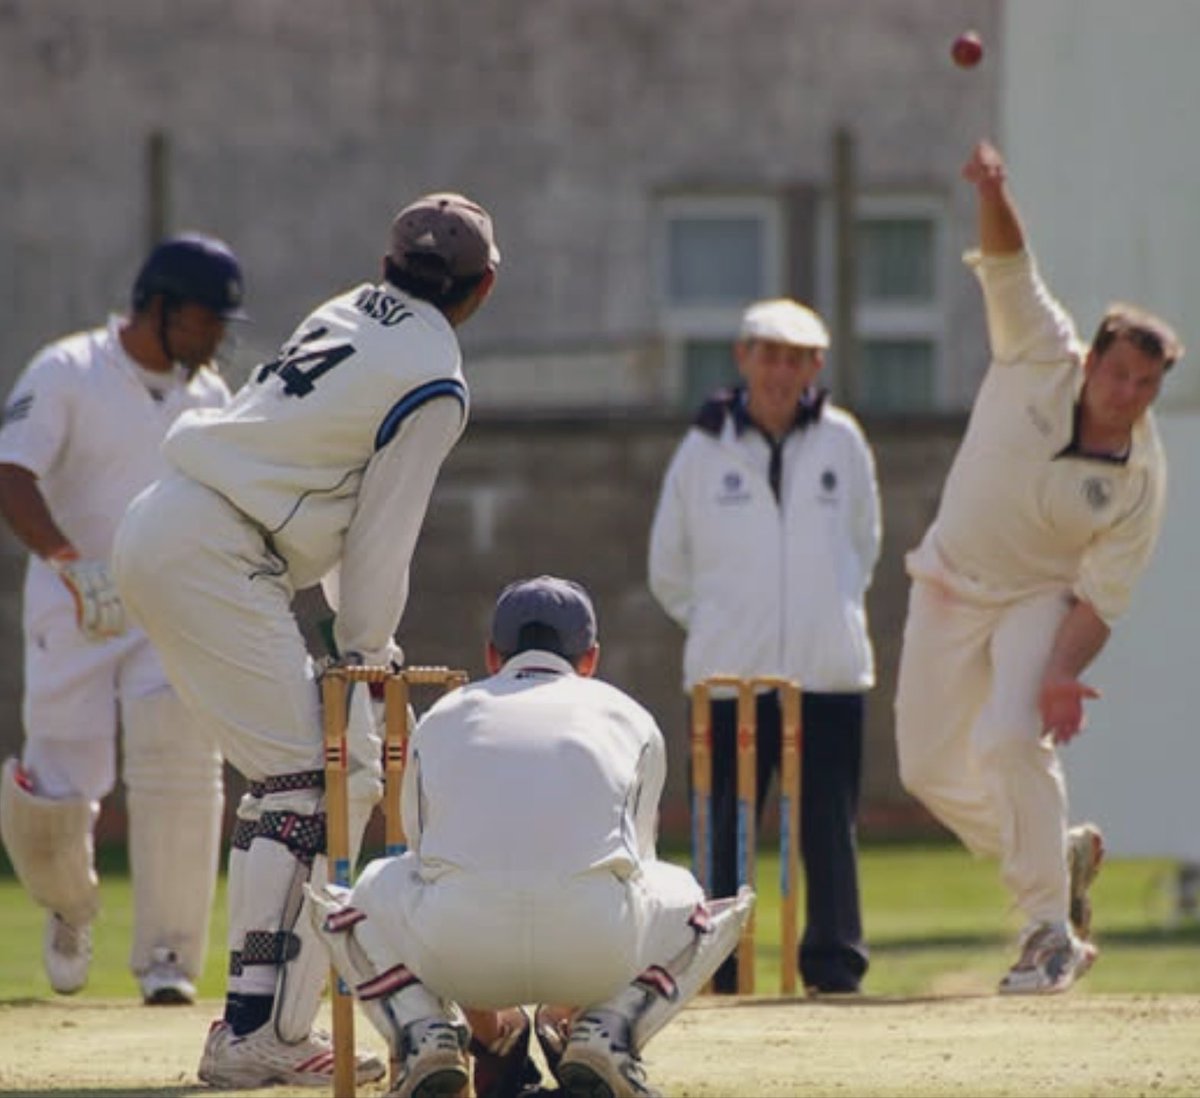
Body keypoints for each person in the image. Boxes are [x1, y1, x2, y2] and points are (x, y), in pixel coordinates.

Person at [111, 193, 500, 1089]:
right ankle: (259, 1033)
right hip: (215, 551)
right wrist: (367, 651)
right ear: (484, 287)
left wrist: (350, 645)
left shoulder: (348, 309)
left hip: (173, 524)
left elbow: (326, 491)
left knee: (302, 776)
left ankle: (256, 1022)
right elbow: (382, 533)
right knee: (322, 777)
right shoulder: (436, 377)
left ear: (391, 259)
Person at [894, 140, 1185, 995]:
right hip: (950, 578)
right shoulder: (1037, 348)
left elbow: (1104, 596)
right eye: (1118, 373)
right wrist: (994, 186)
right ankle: (1053, 858)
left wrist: (1061, 673)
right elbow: (1008, 262)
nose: (1126, 394)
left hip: (1036, 600)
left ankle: (1049, 932)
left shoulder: (1141, 480)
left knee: (1012, 739)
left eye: (1145, 385)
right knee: (926, 770)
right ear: (1092, 361)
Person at [306, 575, 754, 1098]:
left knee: (354, 899)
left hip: (458, 959)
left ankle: (423, 1034)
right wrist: (570, 1003)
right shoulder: (630, 716)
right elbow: (633, 864)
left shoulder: (443, 717)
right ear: (590, 659)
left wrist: (489, 1023)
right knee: (695, 900)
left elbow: (425, 859)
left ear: (493, 655)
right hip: (596, 952)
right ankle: (608, 1031)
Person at [0, 234, 242, 1004]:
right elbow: (11, 472)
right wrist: (71, 564)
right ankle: (70, 909)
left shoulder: (210, 396)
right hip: (75, 599)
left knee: (180, 763)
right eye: (206, 319)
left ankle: (169, 961)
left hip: (163, 604)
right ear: (161, 307)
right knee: (59, 785)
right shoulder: (68, 368)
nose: (215, 339)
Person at [647, 297, 881, 996]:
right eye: (769, 355)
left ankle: (835, 969)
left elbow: (862, 549)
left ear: (817, 366)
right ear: (743, 357)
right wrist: (725, 623)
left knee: (828, 828)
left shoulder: (842, 439)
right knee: (723, 827)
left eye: (797, 358)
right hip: (729, 677)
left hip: (828, 672)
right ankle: (720, 970)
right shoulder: (702, 447)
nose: (782, 372)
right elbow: (669, 568)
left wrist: (819, 612)